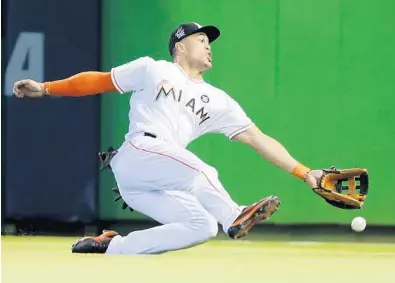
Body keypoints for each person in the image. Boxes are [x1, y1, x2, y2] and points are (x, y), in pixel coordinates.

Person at [13, 22, 323, 255]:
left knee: (202, 226)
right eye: (201, 40)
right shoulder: (153, 69)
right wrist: (47, 87)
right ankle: (233, 214)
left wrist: (305, 172)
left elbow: (259, 139)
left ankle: (113, 246)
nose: (208, 46)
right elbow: (98, 81)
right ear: (180, 46)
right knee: (202, 172)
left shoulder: (218, 100)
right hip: (139, 151)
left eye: (209, 42)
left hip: (153, 180)